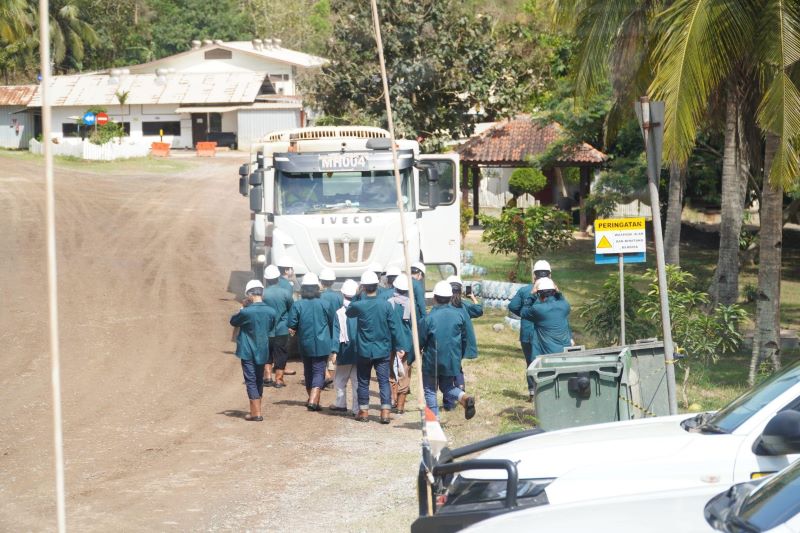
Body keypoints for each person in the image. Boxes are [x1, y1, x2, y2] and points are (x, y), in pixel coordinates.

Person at [346, 270, 404, 424]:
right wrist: (399, 346)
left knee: (363, 381)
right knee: (383, 381)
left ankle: (364, 412)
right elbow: (394, 327)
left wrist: (358, 294)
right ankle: (385, 412)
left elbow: (348, 312)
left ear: (363, 287)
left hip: (364, 350)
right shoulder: (385, 305)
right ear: (377, 286)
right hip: (382, 349)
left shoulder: (359, 305)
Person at [419, 281, 476, 420]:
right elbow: (464, 339)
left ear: (435, 298)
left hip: (432, 361)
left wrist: (410, 358)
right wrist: (458, 356)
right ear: (450, 297)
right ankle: (464, 396)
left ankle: (434, 421)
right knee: (447, 387)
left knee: (430, 390)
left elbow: (420, 341)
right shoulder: (459, 315)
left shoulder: (428, 318)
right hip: (451, 360)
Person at [229, 280, 277, 422]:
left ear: (249, 294)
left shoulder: (247, 312)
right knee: (258, 380)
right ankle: (256, 410)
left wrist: (243, 308)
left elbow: (233, 321)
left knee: (250, 380)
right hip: (263, 349)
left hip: (247, 350)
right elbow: (270, 327)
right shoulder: (271, 311)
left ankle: (256, 413)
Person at [287, 273, 335, 412]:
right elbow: (333, 323)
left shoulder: (298, 305)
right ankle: (314, 399)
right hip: (323, 343)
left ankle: (312, 399)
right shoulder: (325, 304)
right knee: (319, 370)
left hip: (305, 342)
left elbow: (291, 323)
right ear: (316, 289)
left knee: (308, 371)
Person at [508, 259, 552, 399]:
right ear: (550, 275)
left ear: (534, 275)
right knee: (548, 361)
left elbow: (512, 306)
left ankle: (533, 392)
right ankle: (548, 390)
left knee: (531, 362)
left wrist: (524, 314)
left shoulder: (524, 290)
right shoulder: (554, 291)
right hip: (547, 332)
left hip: (527, 332)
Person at [444, 275, 480, 410]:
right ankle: (461, 394)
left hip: (447, 343)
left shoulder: (444, 305)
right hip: (460, 344)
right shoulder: (464, 304)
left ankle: (449, 403)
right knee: (457, 369)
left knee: (446, 372)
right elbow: (479, 310)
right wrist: (472, 297)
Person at [519, 277, 573, 359]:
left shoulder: (538, 309)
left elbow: (523, 312)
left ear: (539, 294)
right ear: (554, 291)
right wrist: (557, 292)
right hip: (565, 354)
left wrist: (531, 295)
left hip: (546, 356)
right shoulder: (565, 305)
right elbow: (561, 298)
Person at [329, 279, 360, 416]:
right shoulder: (361, 309)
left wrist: (334, 351)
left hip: (344, 349)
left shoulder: (339, 312)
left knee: (340, 379)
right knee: (357, 381)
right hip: (360, 350)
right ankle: (357, 409)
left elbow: (336, 333)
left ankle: (341, 404)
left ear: (343, 294)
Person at [263, 264, 293, 388]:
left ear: (266, 279)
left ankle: (268, 376)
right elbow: (292, 308)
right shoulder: (285, 293)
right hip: (282, 329)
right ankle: (279, 379)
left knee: (267, 352)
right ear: (277, 278)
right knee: (281, 353)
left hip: (266, 329)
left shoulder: (262, 293)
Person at [387, 274, 414, 414]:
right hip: (407, 343)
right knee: (405, 373)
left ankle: (393, 399)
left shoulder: (389, 303)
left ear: (395, 287)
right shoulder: (410, 303)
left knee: (392, 372)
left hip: (391, 343)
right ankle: (401, 406)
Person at [319, 268, 343, 387]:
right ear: (333, 281)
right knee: (333, 352)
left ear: (321, 281)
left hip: (323, 328)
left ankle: (324, 375)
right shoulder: (339, 296)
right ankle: (331, 378)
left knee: (322, 353)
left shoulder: (319, 296)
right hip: (335, 327)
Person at [276, 256, 298, 375]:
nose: (292, 271)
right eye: (291, 269)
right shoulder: (287, 285)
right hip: (283, 318)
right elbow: (289, 304)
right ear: (286, 270)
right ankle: (281, 367)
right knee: (284, 345)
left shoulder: (276, 281)